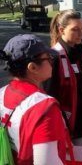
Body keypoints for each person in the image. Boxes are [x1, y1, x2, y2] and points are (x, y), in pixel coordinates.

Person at [0, 34, 67, 164]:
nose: (52, 61)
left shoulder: (2, 93)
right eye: (49, 58)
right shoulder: (44, 109)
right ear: (33, 68)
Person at [45, 9, 82, 161]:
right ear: (61, 30)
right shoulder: (54, 56)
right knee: (74, 161)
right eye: (75, 29)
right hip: (71, 125)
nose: (80, 33)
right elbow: (50, 97)